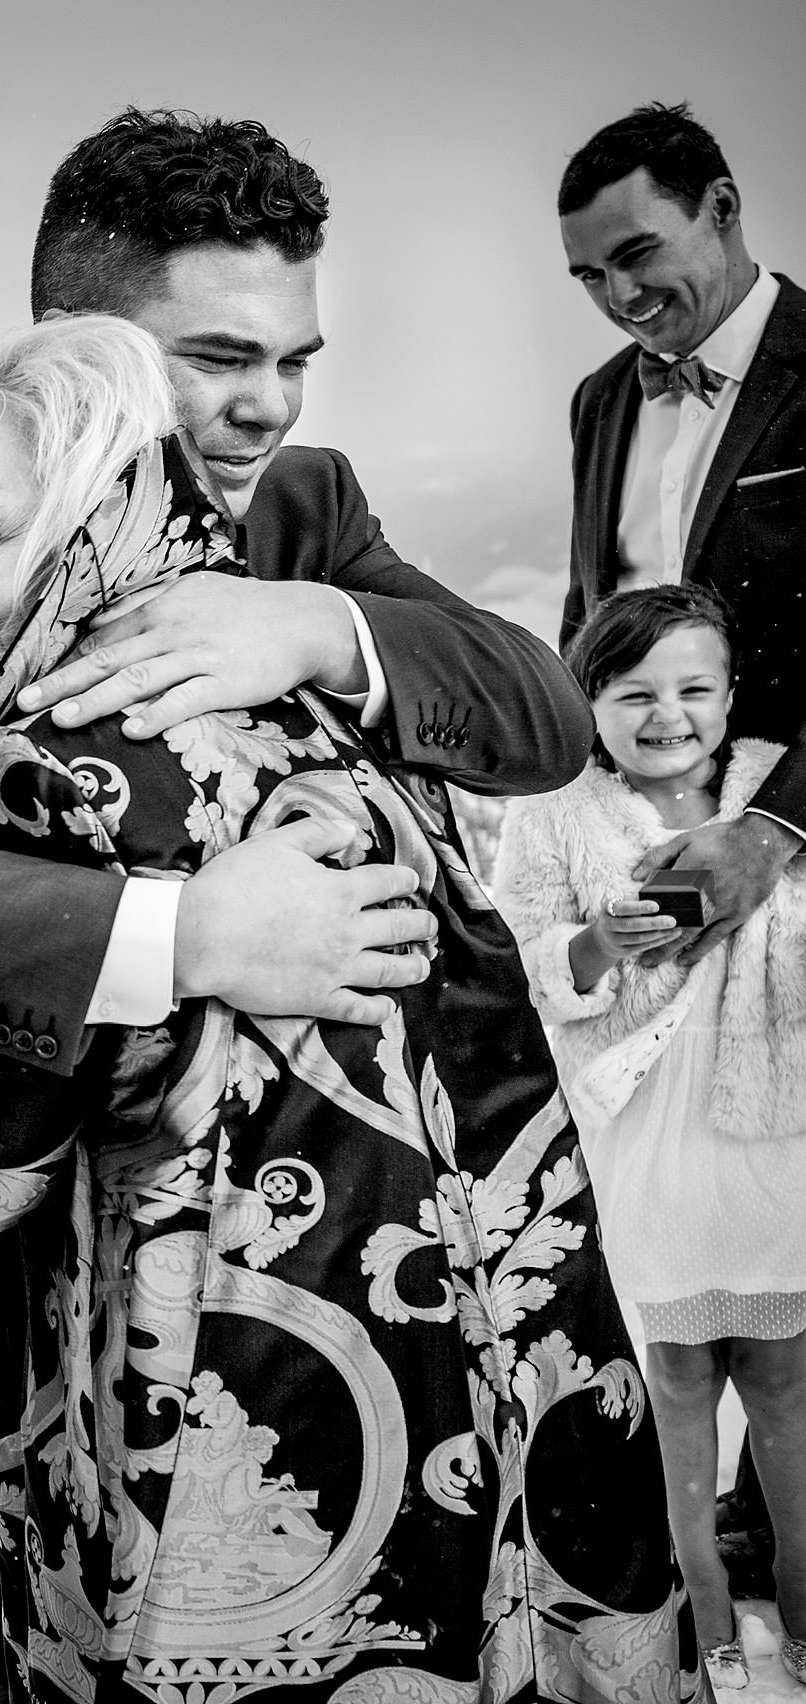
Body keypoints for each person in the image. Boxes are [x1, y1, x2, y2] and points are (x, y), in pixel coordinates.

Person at [0, 108, 595, 1700]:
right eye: (214, 357)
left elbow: (541, 717)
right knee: (27, 1622)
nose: (263, 404)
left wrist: (318, 627)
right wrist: (189, 940)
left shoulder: (303, 511)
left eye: (294, 358)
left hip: (324, 1222)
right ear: (74, 345)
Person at [0, 313, 686, 1704]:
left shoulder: (52, 765)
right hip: (486, 1328)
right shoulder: (311, 695)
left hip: (250, 1371)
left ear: (84, 511)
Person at [556, 102, 806, 1585]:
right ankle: (708, 1571)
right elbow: (596, 627)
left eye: (639, 254)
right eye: (589, 276)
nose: (619, 298)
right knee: (666, 1220)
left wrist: (770, 830)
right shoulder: (599, 399)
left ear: (722, 205)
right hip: (640, 873)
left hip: (792, 867)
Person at [499, 584, 806, 1692]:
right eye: (633, 694)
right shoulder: (551, 811)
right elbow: (523, 962)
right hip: (646, 1143)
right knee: (675, 1385)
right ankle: (704, 1624)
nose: (667, 714)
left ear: (731, 695)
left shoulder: (778, 792)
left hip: (776, 1136)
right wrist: (593, 943)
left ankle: (805, 1621)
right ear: (589, 702)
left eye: (694, 689)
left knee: (784, 1386)